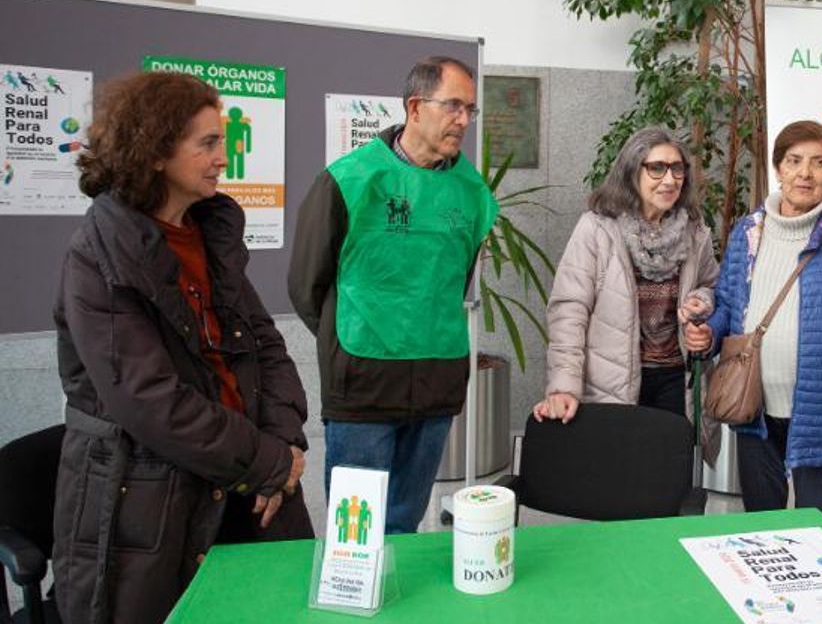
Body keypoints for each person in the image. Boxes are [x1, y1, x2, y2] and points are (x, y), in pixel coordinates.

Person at [53, 71, 312, 624]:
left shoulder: (208, 235)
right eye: (209, 143)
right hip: (148, 505)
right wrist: (270, 462)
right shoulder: (96, 257)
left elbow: (266, 347)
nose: (225, 157)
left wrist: (284, 444)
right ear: (154, 152)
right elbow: (150, 401)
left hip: (249, 481)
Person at [289, 56, 498, 534]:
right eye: (453, 106)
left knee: (404, 522)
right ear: (415, 107)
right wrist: (348, 339)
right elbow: (307, 284)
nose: (463, 120)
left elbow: (456, 278)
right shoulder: (351, 179)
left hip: (437, 379)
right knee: (355, 530)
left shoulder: (472, 192)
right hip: (363, 380)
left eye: (470, 109)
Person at [688, 120, 822, 520]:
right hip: (754, 413)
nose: (805, 173)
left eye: (817, 163)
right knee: (764, 533)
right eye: (794, 161)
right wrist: (709, 333)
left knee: (816, 533)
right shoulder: (749, 232)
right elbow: (729, 305)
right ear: (778, 168)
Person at [534, 127, 719, 455]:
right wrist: (563, 386)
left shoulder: (694, 228)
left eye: (677, 169)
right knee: (621, 480)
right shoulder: (597, 228)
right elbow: (569, 311)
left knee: (668, 481)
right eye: (657, 168)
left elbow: (712, 285)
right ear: (632, 170)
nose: (670, 179)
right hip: (613, 380)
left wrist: (701, 301)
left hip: (678, 380)